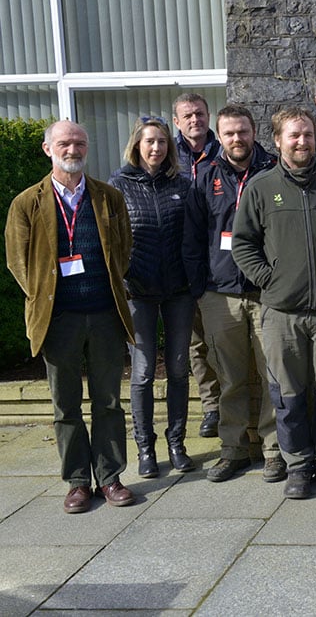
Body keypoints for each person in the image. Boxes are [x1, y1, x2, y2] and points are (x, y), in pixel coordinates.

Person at [232, 106, 316, 499]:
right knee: (288, 397)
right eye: (294, 135)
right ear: (277, 141)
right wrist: (269, 279)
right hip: (281, 313)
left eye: (307, 134)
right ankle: (298, 466)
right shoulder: (260, 188)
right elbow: (243, 244)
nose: (302, 141)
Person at [5, 120, 136, 513]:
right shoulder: (27, 202)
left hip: (104, 313)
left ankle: (110, 477)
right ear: (49, 149)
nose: (73, 149)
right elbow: (17, 260)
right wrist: (45, 296)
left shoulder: (108, 197)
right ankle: (78, 481)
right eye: (64, 142)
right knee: (65, 405)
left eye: (79, 142)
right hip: (58, 317)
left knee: (109, 401)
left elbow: (124, 248)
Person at [183, 104, 283, 484]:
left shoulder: (273, 172)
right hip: (219, 295)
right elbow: (192, 239)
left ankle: (274, 450)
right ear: (219, 136)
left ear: (253, 131)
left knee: (272, 375)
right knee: (231, 377)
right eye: (229, 133)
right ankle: (234, 449)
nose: (237, 139)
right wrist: (199, 289)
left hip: (266, 293)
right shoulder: (205, 178)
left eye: (242, 131)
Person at [109, 117, 195, 479]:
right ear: (137, 145)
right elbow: (111, 238)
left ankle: (177, 443)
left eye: (162, 141)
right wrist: (123, 275)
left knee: (178, 368)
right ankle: (145, 448)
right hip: (138, 292)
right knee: (143, 373)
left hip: (178, 290)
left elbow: (192, 234)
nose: (156, 148)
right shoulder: (119, 185)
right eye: (149, 142)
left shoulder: (183, 184)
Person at [173, 92, 223, 440]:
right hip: (179, 267)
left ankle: (234, 402)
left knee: (224, 340)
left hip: (219, 262)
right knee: (196, 345)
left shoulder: (223, 153)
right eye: (188, 115)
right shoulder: (166, 156)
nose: (195, 120)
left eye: (201, 114)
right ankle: (211, 406)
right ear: (177, 121)